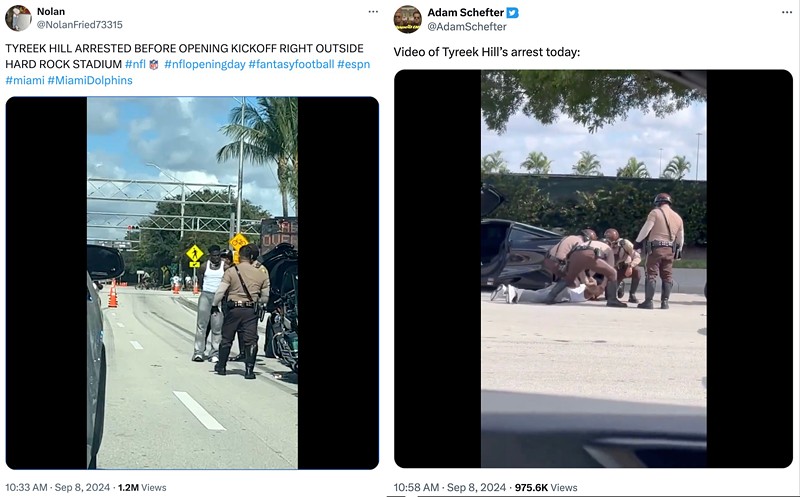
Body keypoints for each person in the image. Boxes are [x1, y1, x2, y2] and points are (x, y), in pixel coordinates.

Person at [212, 243, 270, 379]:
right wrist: (258, 301)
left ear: (239, 256)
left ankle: (221, 367)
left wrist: (215, 305)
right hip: (250, 311)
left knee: (227, 338)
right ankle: (249, 370)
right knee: (251, 340)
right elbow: (265, 297)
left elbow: (220, 291)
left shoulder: (231, 271)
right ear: (251, 257)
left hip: (233, 310)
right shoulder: (261, 273)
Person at [543, 233, 627, 307]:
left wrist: (586, 281)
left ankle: (550, 297)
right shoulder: (608, 249)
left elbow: (581, 268)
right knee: (613, 273)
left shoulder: (586, 242)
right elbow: (609, 272)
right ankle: (612, 300)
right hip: (589, 253)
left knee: (569, 278)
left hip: (575, 254)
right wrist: (602, 287)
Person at [634, 193, 685, 309]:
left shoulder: (655, 213)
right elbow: (680, 238)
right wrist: (679, 250)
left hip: (656, 248)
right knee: (667, 275)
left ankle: (648, 301)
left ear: (657, 202)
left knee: (651, 274)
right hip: (670, 249)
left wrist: (637, 242)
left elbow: (646, 229)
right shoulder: (678, 217)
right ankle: (665, 302)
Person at [192, 245, 229, 362]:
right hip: (206, 295)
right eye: (214, 255)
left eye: (218, 255)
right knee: (201, 325)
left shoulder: (225, 267)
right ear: (210, 256)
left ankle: (214, 353)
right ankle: (198, 352)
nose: (217, 258)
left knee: (217, 327)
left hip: (218, 297)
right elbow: (200, 278)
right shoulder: (204, 266)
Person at [603, 228, 642, 303]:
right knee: (608, 297)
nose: (610, 242)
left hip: (626, 267)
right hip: (615, 271)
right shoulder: (605, 246)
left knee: (637, 271)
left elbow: (637, 256)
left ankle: (632, 295)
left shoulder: (624, 244)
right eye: (607, 239)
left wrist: (630, 266)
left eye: (610, 239)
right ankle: (620, 285)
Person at [502, 277, 605, 304]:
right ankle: (515, 293)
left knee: (538, 294)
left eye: (601, 291)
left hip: (563, 293)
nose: (600, 291)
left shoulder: (591, 296)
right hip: (565, 292)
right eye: (600, 288)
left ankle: (505, 290)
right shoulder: (585, 287)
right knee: (539, 297)